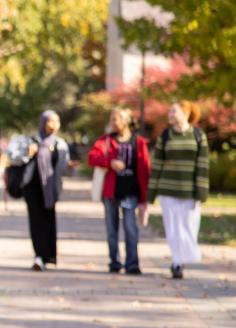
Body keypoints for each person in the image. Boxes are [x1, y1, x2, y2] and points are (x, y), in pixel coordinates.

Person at [87, 107, 152, 274]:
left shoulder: (138, 142)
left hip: (131, 192)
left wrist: (145, 195)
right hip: (111, 191)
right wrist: (110, 162)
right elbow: (92, 157)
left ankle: (132, 264)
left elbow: (145, 169)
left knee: (131, 227)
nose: (112, 122)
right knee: (111, 228)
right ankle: (114, 262)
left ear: (125, 121)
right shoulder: (107, 140)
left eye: (115, 119)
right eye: (111, 119)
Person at [149, 100, 210, 279]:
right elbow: (157, 165)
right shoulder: (165, 136)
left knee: (189, 227)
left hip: (190, 191)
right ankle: (177, 262)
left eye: (173, 111)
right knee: (173, 227)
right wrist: (150, 194)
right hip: (168, 190)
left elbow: (203, 166)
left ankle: (185, 256)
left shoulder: (198, 136)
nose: (170, 115)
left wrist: (201, 192)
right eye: (169, 111)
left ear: (185, 113)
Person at [5, 110, 70, 271]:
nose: (54, 125)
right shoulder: (29, 141)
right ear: (43, 122)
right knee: (36, 220)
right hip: (32, 186)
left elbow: (63, 167)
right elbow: (12, 157)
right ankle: (39, 255)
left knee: (49, 219)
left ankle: (50, 255)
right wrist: (28, 153)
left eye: (57, 121)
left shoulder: (60, 144)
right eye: (50, 121)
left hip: (50, 188)